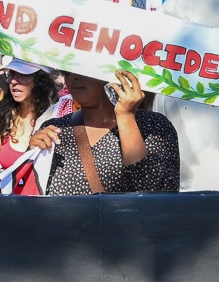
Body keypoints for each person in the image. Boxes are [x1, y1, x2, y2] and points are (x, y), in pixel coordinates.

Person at [29, 69, 181, 195]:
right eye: (66, 71)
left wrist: (126, 118)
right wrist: (31, 157)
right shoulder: (54, 129)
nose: (73, 77)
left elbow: (155, 197)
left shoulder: (153, 126)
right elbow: (33, 197)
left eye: (83, 68)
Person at [0, 59, 57, 193]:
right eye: (11, 74)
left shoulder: (56, 116)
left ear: (40, 80)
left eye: (23, 75)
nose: (13, 81)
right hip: (9, 201)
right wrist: (5, 179)